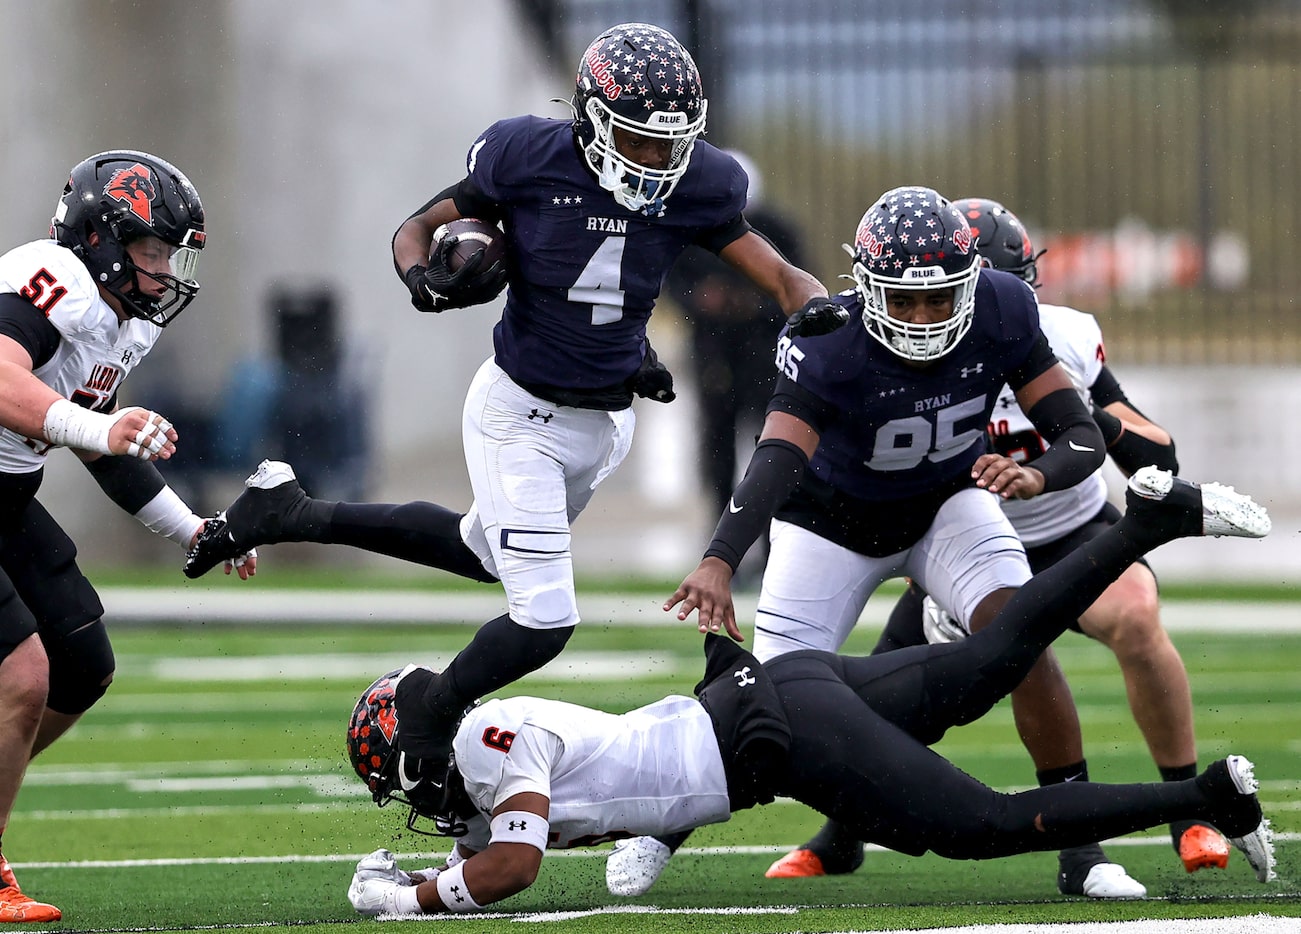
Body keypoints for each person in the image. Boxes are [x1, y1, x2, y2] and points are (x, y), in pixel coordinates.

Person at [183, 21, 844, 816]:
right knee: (543, 620)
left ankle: (290, 511)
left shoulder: (697, 184)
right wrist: (421, 278)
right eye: (637, 141)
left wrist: (815, 309)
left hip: (602, 424)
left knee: (479, 550)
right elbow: (414, 228)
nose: (655, 161)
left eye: (669, 145)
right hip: (518, 413)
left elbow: (778, 273)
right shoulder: (527, 156)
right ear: (593, 121)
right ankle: (429, 708)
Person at [342, 466, 1274, 916]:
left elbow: (511, 867)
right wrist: (412, 874)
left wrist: (407, 902)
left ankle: (1207, 796)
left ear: (423, 747)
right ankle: (1151, 521)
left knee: (977, 829)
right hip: (773, 697)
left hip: (770, 735)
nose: (411, 801)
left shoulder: (489, 738)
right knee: (990, 662)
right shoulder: (483, 755)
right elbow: (498, 840)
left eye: (400, 779)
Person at [634, 184, 1138, 898]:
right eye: (902, 301)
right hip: (828, 527)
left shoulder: (1001, 307)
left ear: (970, 284)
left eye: (939, 300)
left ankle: (1080, 847)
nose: (923, 317)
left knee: (1021, 634)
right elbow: (777, 457)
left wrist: (1035, 475)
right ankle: (666, 827)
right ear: (867, 287)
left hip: (942, 507)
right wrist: (719, 559)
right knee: (765, 707)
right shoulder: (828, 340)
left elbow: (1078, 433)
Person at [879, 196, 1229, 877]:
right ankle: (834, 840)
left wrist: (1093, 418)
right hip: (967, 548)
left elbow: (1157, 456)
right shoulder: (900, 350)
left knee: (1134, 616)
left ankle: (1187, 808)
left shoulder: (1060, 338)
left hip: (1071, 528)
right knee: (881, 705)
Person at [0, 150, 255, 922]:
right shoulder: (56, 279)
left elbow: (102, 447)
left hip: (8, 492)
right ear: (101, 239)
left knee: (81, 661)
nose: (162, 272)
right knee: (22, 675)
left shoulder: (120, 322)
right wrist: (105, 429)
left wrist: (194, 530)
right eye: (150, 252)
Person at [663, 150, 806, 540]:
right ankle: (721, 528)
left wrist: (754, 305)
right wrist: (702, 299)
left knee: (771, 442)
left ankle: (772, 535)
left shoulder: (778, 229)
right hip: (714, 356)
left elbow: (798, 286)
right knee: (716, 446)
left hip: (766, 355)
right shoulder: (690, 228)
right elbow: (672, 281)